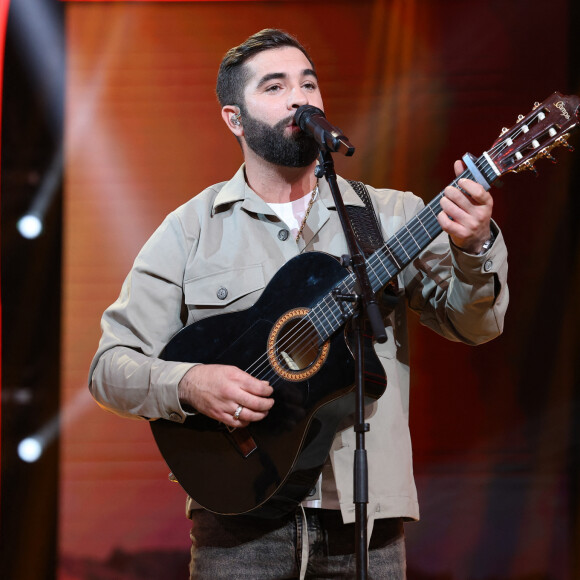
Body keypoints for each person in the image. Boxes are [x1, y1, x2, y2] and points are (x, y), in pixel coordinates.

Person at [89, 29, 508, 579]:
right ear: (234, 119)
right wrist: (189, 384)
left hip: (366, 525)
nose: (299, 97)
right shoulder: (190, 230)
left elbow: (474, 326)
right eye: (276, 85)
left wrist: (474, 246)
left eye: (309, 83)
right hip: (239, 528)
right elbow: (108, 368)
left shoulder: (390, 216)